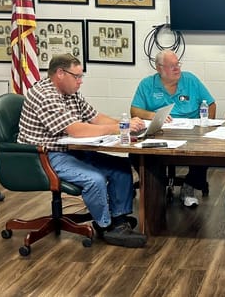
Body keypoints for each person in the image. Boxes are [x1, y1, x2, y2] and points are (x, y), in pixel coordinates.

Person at [17, 54, 148, 248]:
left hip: (71, 151)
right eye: (76, 77)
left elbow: (95, 117)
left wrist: (125, 124)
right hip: (46, 156)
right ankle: (106, 226)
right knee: (94, 179)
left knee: (120, 167)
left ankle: (119, 219)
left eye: (81, 77)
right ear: (60, 73)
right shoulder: (45, 95)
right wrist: (118, 129)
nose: (80, 82)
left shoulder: (70, 92)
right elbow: (76, 130)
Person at [130, 50, 214, 208]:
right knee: (135, 153)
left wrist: (207, 126)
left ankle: (188, 187)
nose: (177, 69)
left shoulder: (190, 80)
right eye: (172, 66)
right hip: (161, 133)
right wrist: (152, 115)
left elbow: (210, 103)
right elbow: (135, 111)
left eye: (178, 64)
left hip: (192, 132)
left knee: (205, 152)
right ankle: (156, 187)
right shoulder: (147, 84)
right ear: (159, 68)